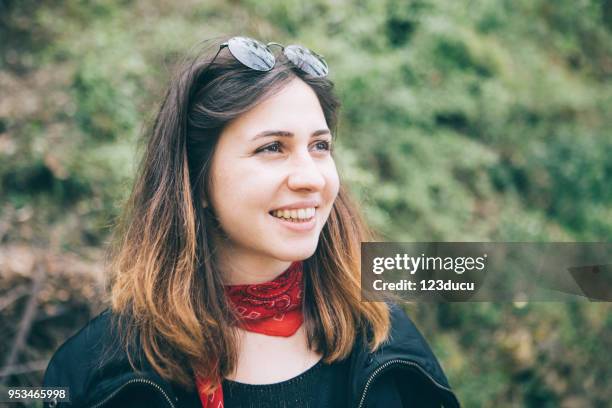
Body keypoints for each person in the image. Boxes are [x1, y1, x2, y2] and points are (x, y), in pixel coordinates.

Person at [43, 36, 460, 408]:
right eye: (273, 148)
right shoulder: (99, 373)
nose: (311, 178)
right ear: (197, 179)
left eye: (320, 146)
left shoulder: (388, 344)